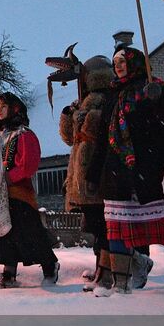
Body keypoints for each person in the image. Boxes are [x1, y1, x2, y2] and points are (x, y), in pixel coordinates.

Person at [85, 46, 164, 295]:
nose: (118, 66)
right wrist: (93, 175)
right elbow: (102, 141)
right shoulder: (112, 97)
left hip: (150, 172)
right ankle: (120, 285)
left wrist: (158, 100)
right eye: (115, 62)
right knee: (118, 230)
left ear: (136, 63)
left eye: (123, 61)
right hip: (117, 176)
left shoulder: (157, 88)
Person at [0, 92, 57, 288]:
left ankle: (49, 265)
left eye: (3, 106)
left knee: (28, 232)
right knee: (2, 234)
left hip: (19, 194)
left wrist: (8, 177)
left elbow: (28, 165)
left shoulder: (24, 135)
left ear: (14, 109)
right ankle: (9, 272)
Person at [60, 55, 116, 292]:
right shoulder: (83, 103)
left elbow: (97, 134)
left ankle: (107, 273)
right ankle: (102, 268)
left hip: (97, 169)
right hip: (81, 171)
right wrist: (68, 115)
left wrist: (84, 116)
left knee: (103, 225)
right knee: (95, 224)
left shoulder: (106, 101)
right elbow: (69, 138)